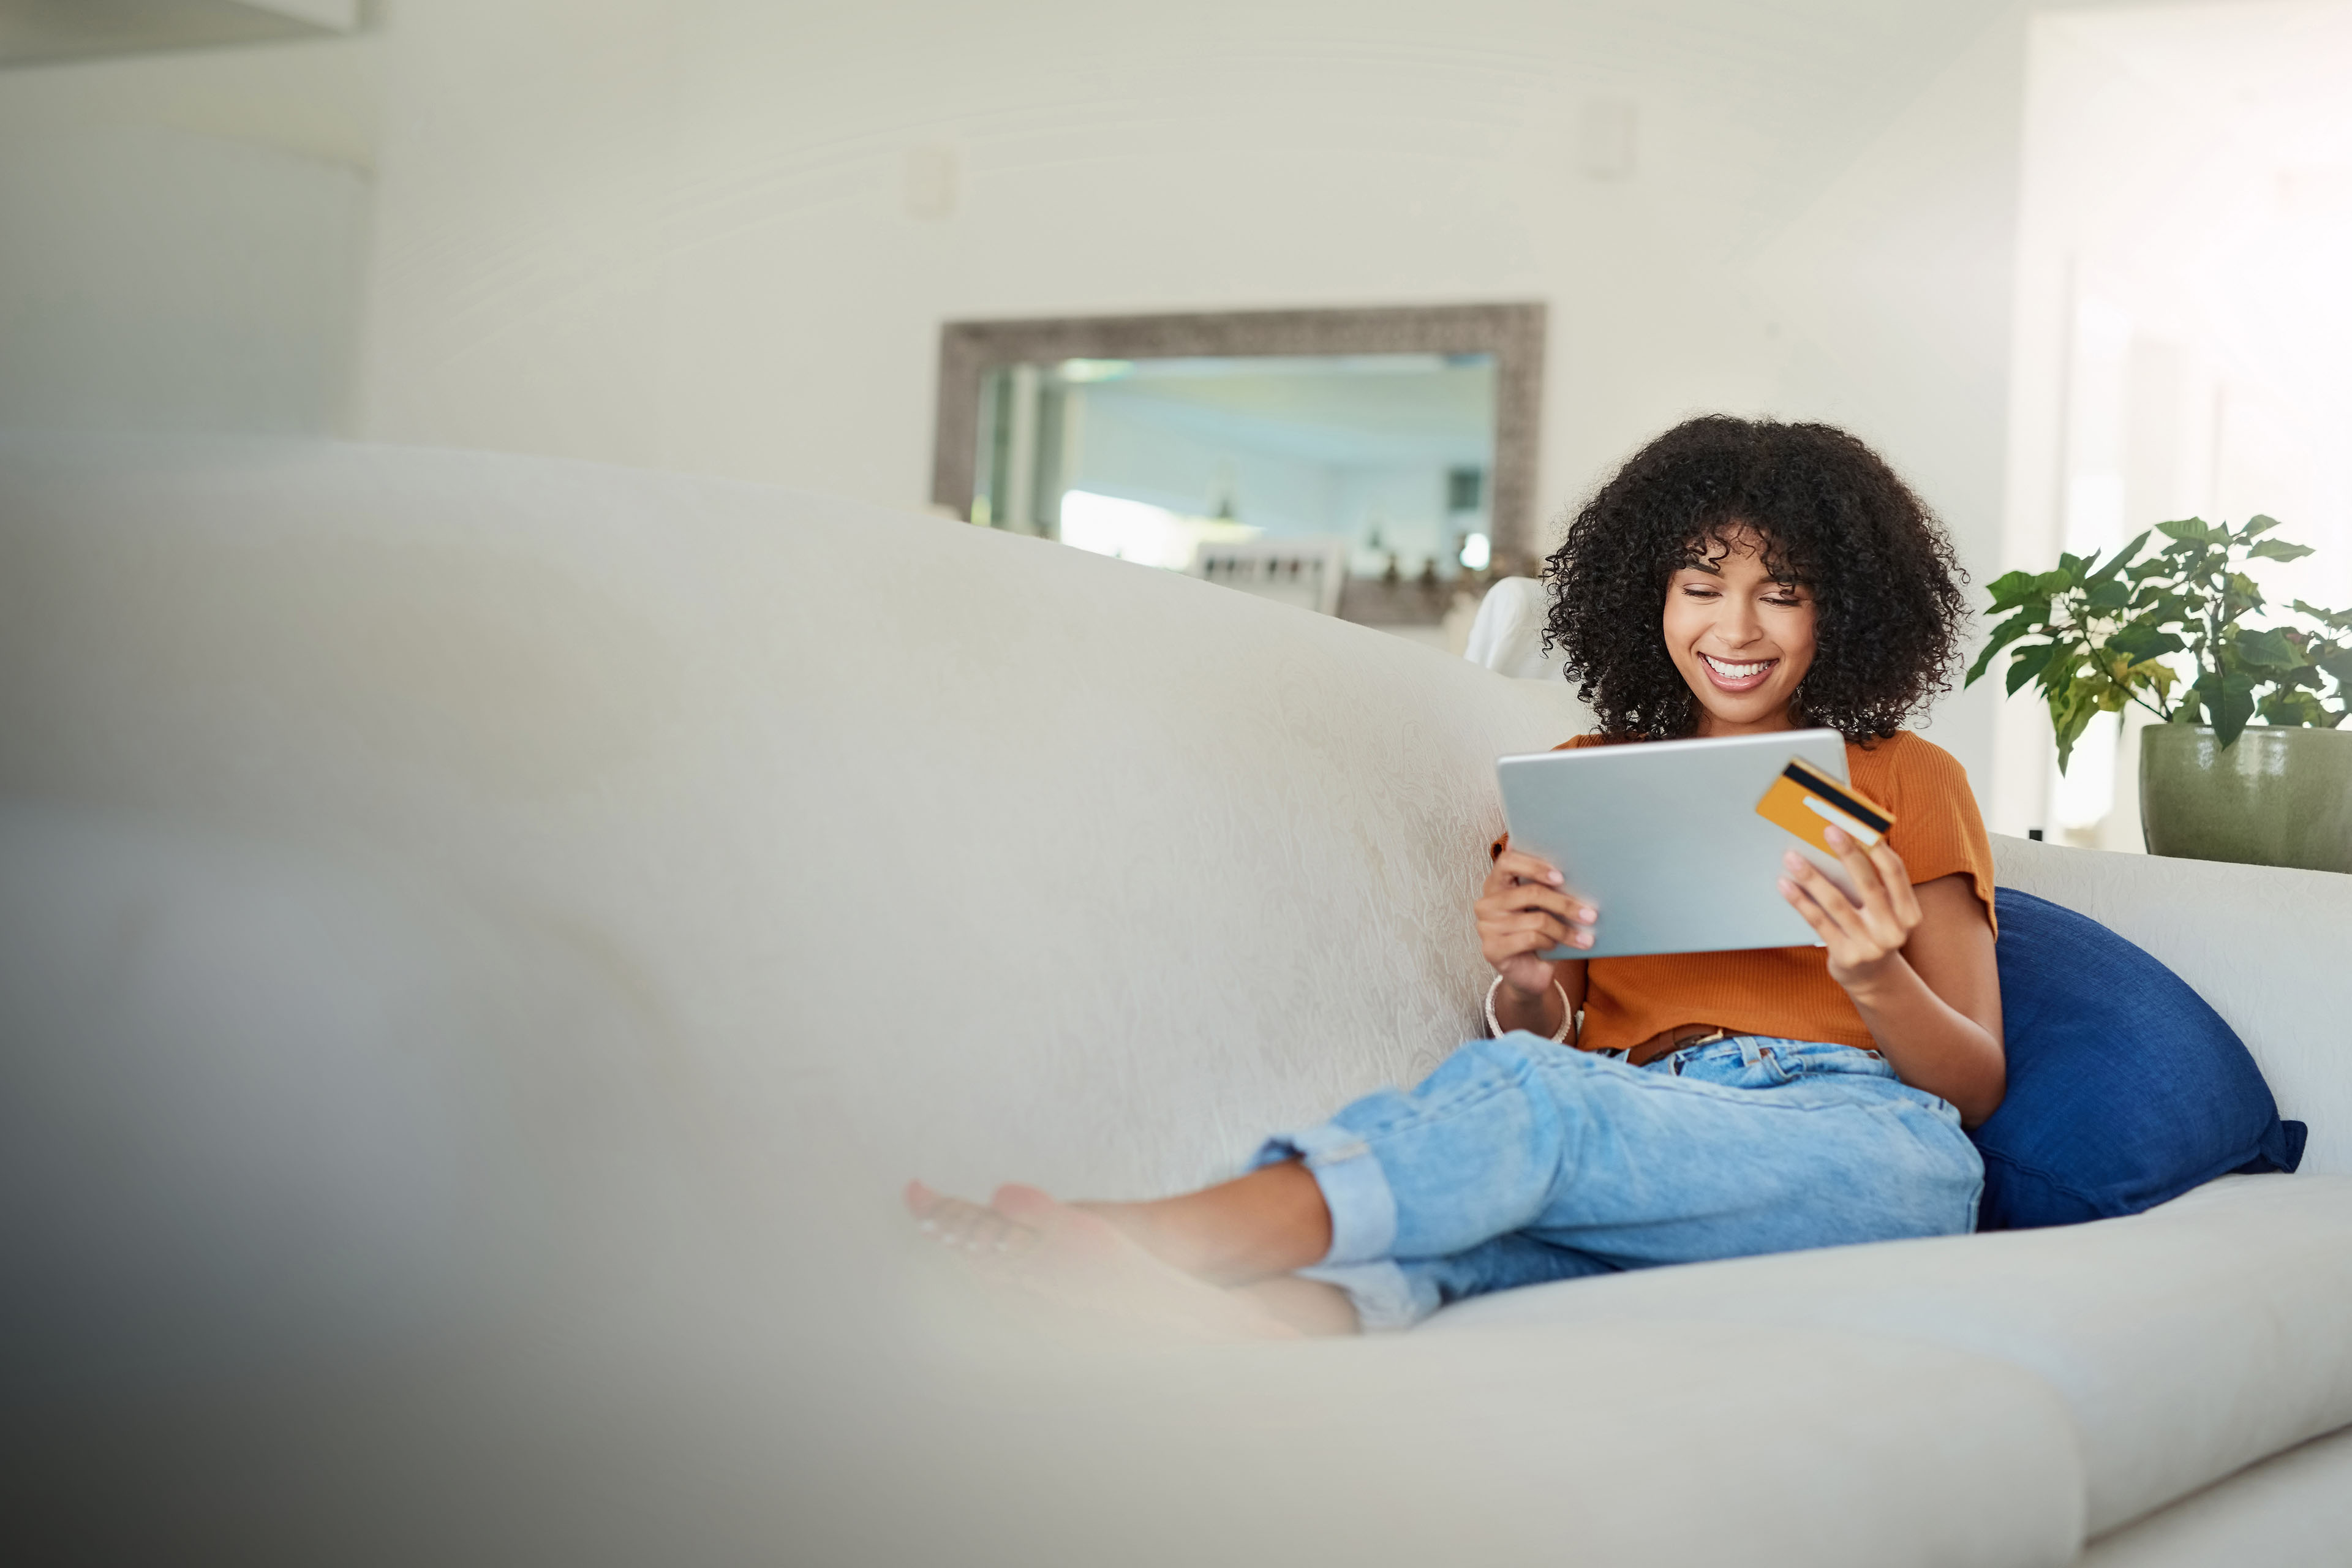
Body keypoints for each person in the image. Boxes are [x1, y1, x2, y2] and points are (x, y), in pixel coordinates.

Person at [906, 415, 2003, 1339]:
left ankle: (1153, 1235)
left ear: (1846, 609)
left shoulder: (1906, 778)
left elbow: (1974, 1086)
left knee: (1535, 1113)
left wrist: (1875, 981)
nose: (1734, 628)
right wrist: (1524, 973)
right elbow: (1545, 1041)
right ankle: (1144, 1335)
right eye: (1700, 587)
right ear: (1649, 598)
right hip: (1637, 1122)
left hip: (1858, 1145)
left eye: (1783, 593)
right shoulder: (1584, 783)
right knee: (1456, 1249)